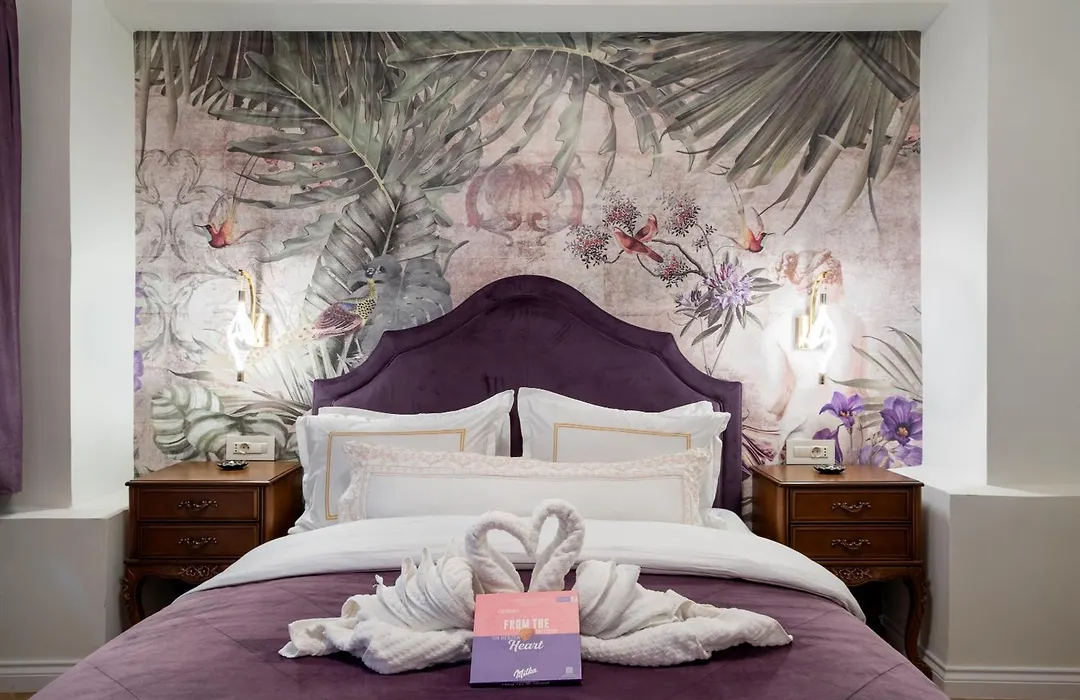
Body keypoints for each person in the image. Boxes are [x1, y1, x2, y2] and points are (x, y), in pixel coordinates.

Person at [760, 250, 866, 459]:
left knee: (798, 479)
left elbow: (775, 399)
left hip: (801, 427)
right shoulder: (855, 323)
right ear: (829, 281)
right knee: (846, 479)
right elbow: (862, 386)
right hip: (846, 431)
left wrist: (780, 408)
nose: (842, 292)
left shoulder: (776, 327)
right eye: (840, 283)